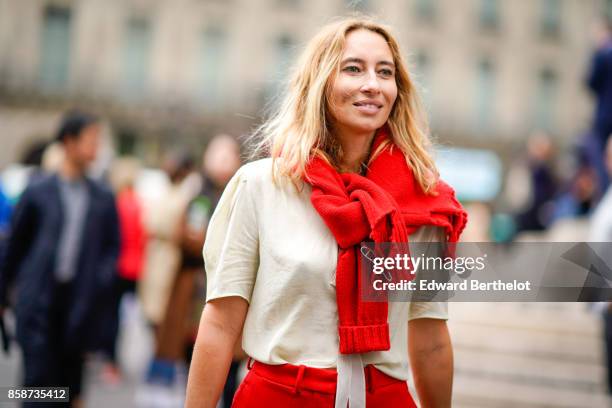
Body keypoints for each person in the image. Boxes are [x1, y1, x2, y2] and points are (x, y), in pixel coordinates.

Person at [185, 18, 467, 407]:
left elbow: (432, 338)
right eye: (353, 68)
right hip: (279, 396)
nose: (372, 84)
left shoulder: (425, 204)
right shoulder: (261, 186)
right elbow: (220, 323)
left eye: (385, 73)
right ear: (319, 82)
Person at [0, 110, 120, 407]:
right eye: (91, 140)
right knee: (36, 387)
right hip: (38, 302)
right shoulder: (38, 191)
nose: (96, 147)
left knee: (69, 389)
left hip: (78, 306)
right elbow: (15, 246)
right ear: (68, 141)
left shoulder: (102, 198)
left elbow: (110, 250)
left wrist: (98, 284)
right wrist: (3, 295)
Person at [180, 134, 243, 408]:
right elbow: (190, 239)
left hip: (234, 291)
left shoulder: (244, 194)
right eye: (216, 155)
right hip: (198, 289)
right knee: (197, 357)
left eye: (227, 155)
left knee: (230, 369)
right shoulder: (201, 198)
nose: (221, 162)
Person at [586, 17, 612, 197]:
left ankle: (606, 193)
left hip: (605, 115)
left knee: (602, 158)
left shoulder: (602, 54)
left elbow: (591, 83)